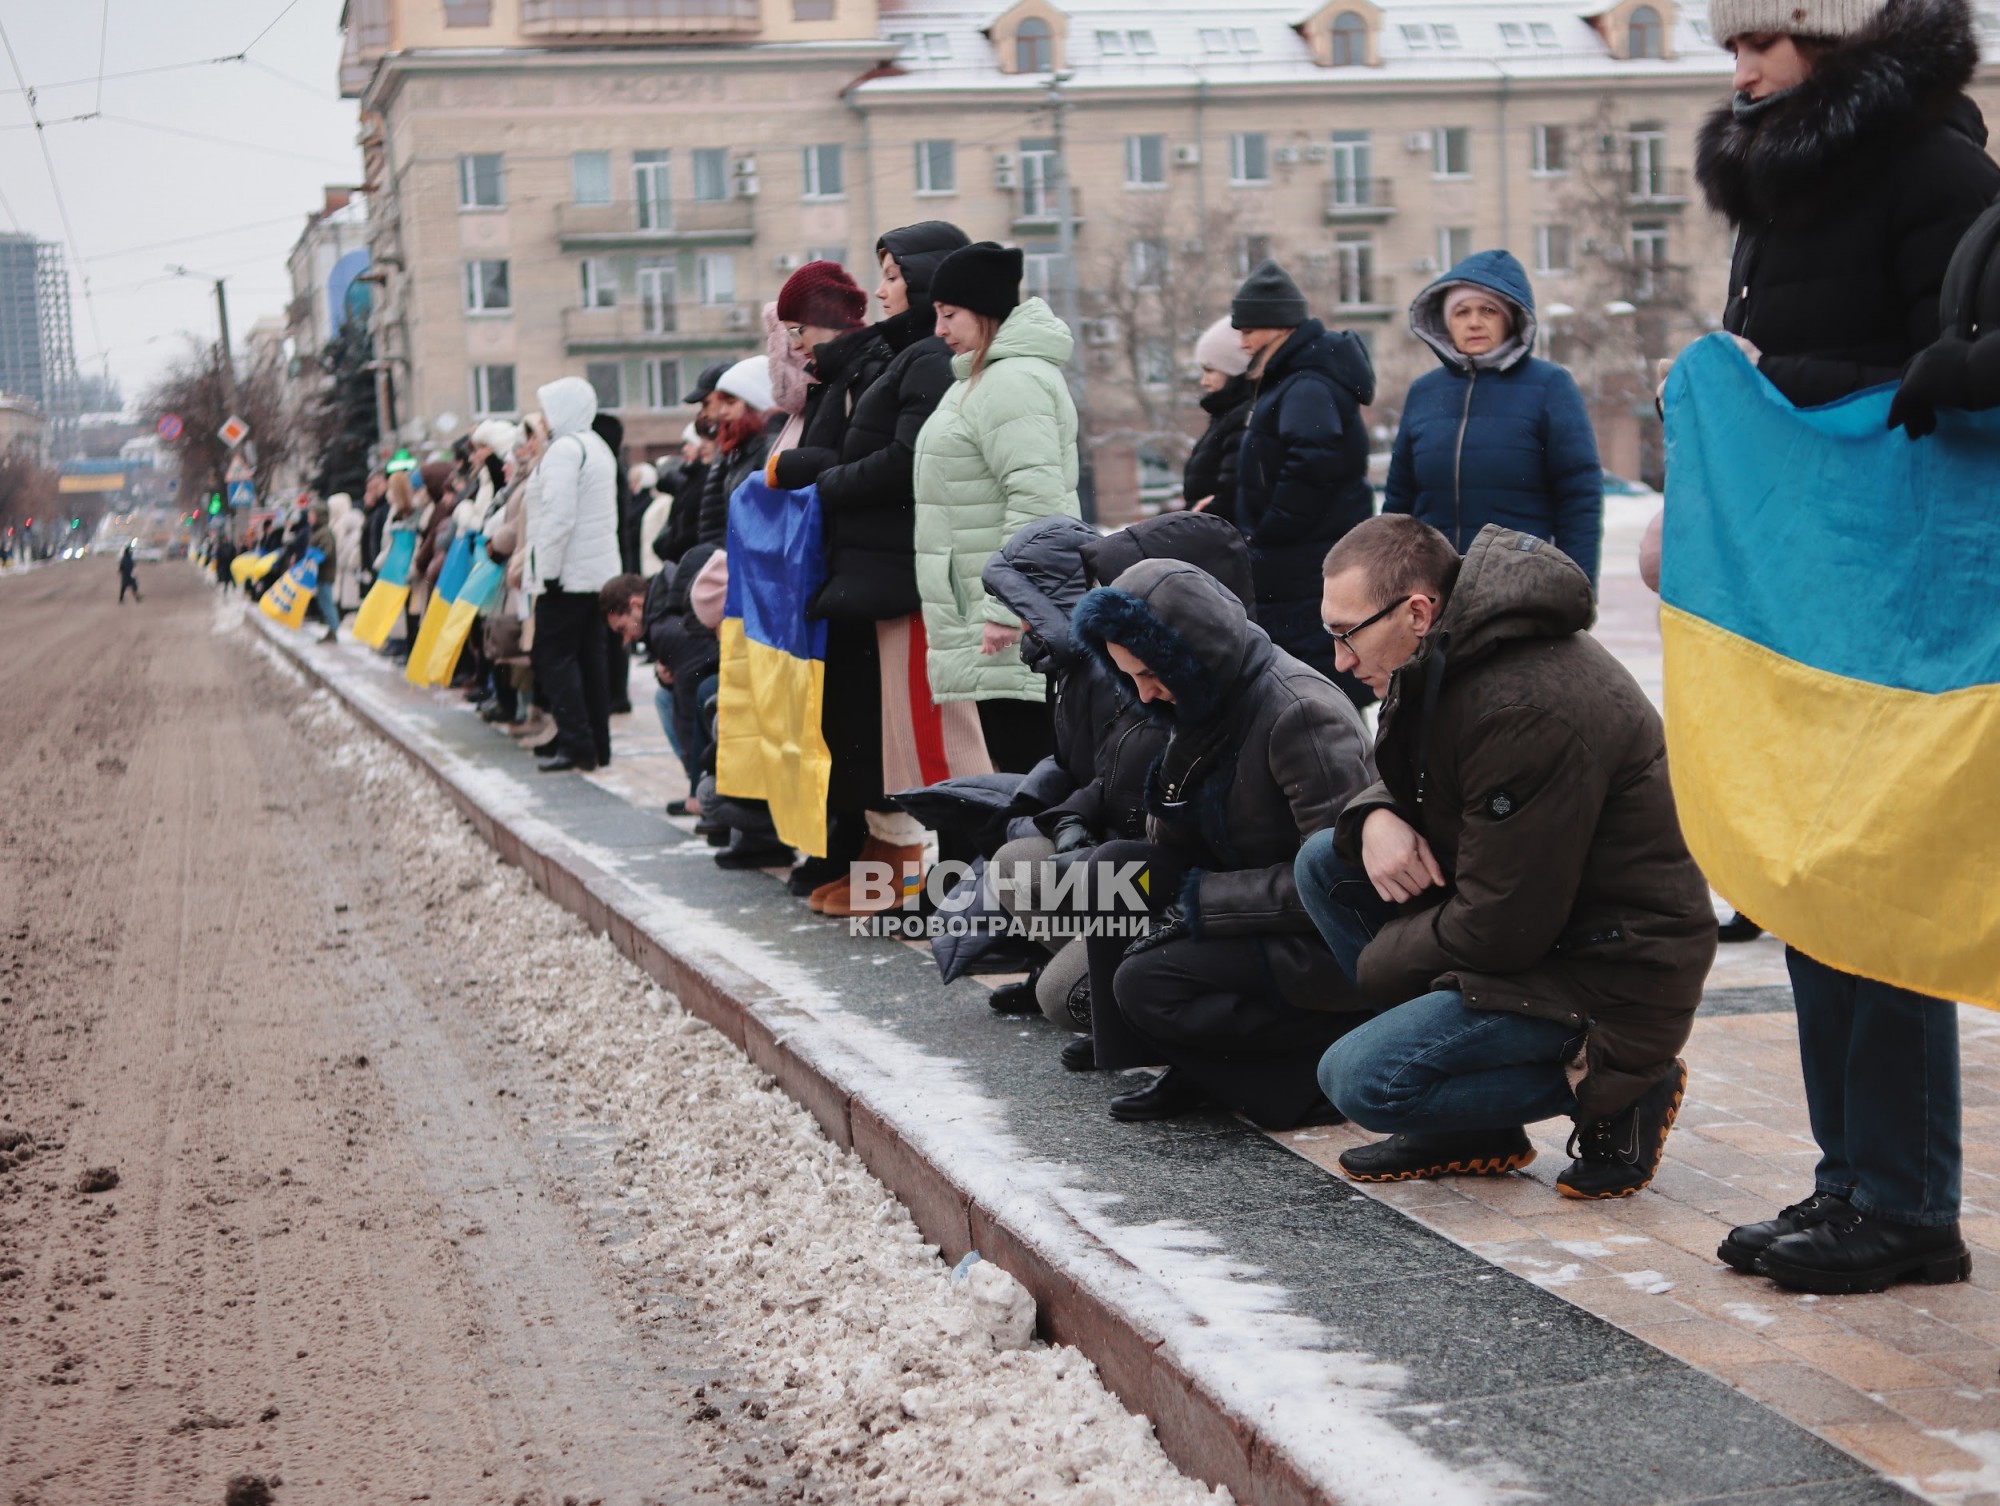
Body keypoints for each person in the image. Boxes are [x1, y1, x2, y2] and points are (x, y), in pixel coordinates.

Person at [1669, 0, 2000, 1291]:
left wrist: (1943, 376)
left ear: (1838, 39)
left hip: (1906, 573)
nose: (1738, 68)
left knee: (1877, 881)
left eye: (1761, 41)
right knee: (1809, 878)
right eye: (1731, 45)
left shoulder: (1936, 163)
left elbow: (1972, 352)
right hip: (1814, 573)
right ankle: (1848, 1176)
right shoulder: (1777, 177)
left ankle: (1911, 1202)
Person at [1296, 516, 1716, 1197]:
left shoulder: (1525, 704)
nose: (1340, 659)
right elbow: (1435, 776)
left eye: (1347, 634)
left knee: (1363, 1082)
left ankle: (1615, 1084)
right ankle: (1474, 1132)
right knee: (1329, 863)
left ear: (1419, 611)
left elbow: (1501, 927)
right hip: (1546, 929)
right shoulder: (1458, 654)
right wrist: (1374, 813)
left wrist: (1380, 966)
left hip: (1611, 969)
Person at [1065, 557, 1374, 1130]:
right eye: (1128, 677)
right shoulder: (1204, 698)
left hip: (1323, 941)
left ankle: (1310, 1069)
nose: (1145, 693)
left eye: (1151, 674)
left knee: (1146, 982)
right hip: (1251, 902)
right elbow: (1187, 840)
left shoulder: (1300, 712)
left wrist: (1200, 902)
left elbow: (1343, 881)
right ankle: (1180, 1059)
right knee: (1111, 871)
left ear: (1194, 654)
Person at [770, 222, 971, 915]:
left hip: (911, 574)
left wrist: (824, 479)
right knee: (880, 733)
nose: (879, 289)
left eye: (890, 275)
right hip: (876, 571)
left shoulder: (920, 359)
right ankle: (888, 857)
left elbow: (907, 463)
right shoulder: (896, 356)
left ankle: (921, 871)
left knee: (926, 741)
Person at [983, 512, 1250, 1025]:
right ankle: (1097, 979)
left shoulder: (1154, 677)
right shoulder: (1097, 670)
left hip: (1163, 880)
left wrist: (1108, 855)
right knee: (1017, 862)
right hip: (1118, 861)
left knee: (1062, 999)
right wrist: (1069, 820)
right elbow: (1102, 771)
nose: (1020, 623)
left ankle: (1114, 992)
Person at [913, 241, 1081, 774]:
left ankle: (1041, 862)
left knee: (1029, 770)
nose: (939, 329)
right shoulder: (984, 379)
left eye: (949, 315)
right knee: (1019, 769)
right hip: (990, 607)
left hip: (1009, 619)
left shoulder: (1010, 382)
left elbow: (1037, 501)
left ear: (984, 312)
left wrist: (1010, 609)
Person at [1385, 251, 1603, 586]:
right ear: (1446, 322)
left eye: (1488, 310)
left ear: (1510, 319)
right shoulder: (1424, 392)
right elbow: (1400, 499)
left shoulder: (1549, 386)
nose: (1474, 322)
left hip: (1519, 585)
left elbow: (1578, 495)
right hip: (1433, 585)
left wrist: (1578, 588)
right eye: (1462, 312)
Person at [1229, 259, 1376, 696]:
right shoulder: (1296, 380)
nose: (1242, 342)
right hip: (1301, 567)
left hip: (1303, 569)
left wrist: (1269, 533)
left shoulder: (1307, 384)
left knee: (1313, 693)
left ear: (1277, 327)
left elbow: (1313, 464)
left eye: (1248, 329)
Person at [525, 376, 622, 773]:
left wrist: (546, 574)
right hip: (595, 575)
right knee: (589, 661)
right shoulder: (597, 447)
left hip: (565, 576)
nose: (544, 421)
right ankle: (595, 742)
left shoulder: (565, 450)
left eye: (547, 411)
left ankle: (576, 743)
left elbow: (558, 517)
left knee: (554, 659)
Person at [696, 357, 776, 548]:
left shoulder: (767, 448)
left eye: (731, 403)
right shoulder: (741, 450)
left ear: (755, 403)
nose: (722, 412)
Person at [1180, 316, 1254, 524]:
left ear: (1233, 368)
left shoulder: (1240, 417)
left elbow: (1231, 487)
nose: (1203, 381)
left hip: (1221, 533)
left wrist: (1205, 515)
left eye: (1210, 370)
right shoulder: (1226, 415)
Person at [309, 500, 340, 642]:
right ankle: (331, 630)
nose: (310, 517)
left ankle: (333, 630)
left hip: (325, 574)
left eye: (312, 514)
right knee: (323, 602)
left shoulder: (325, 533)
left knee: (327, 603)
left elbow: (325, 551)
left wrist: (314, 557)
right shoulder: (319, 531)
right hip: (320, 574)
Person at [330, 490, 364, 617]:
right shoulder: (336, 523)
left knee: (350, 600)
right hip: (342, 568)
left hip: (348, 569)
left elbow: (341, 548)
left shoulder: (346, 524)